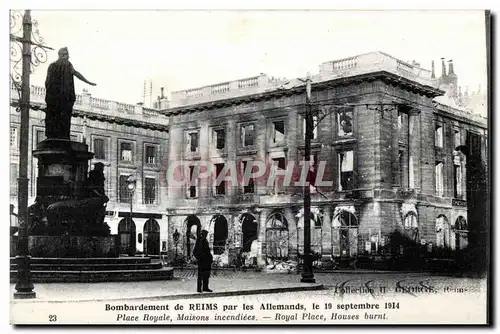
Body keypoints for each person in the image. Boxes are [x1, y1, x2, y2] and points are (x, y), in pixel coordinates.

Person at [44, 47, 96, 140]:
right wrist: (88, 82)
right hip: (65, 98)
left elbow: (47, 82)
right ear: (62, 55)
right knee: (64, 118)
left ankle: (54, 135)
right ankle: (62, 135)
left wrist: (88, 82)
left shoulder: (53, 66)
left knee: (55, 117)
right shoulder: (67, 65)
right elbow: (76, 74)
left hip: (56, 98)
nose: (68, 57)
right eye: (67, 55)